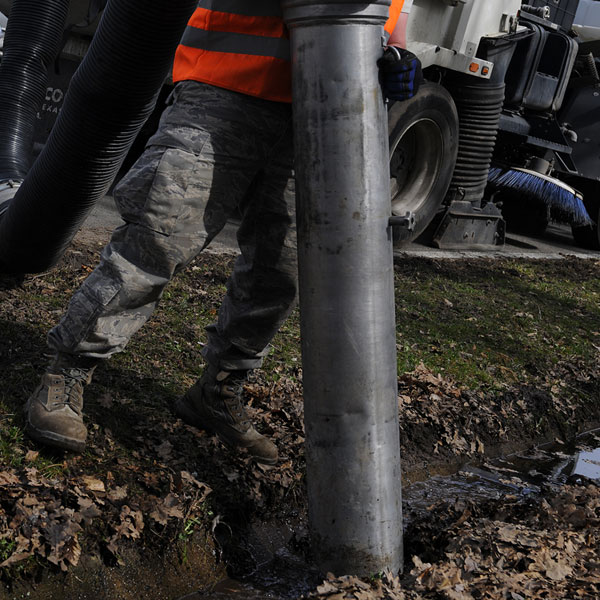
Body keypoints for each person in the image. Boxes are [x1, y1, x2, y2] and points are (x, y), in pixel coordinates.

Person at [24, 0, 421, 465]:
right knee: (160, 233)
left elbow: (395, 19)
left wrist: (398, 57)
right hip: (225, 90)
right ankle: (67, 373)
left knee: (285, 266)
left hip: (324, 109)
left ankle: (219, 390)